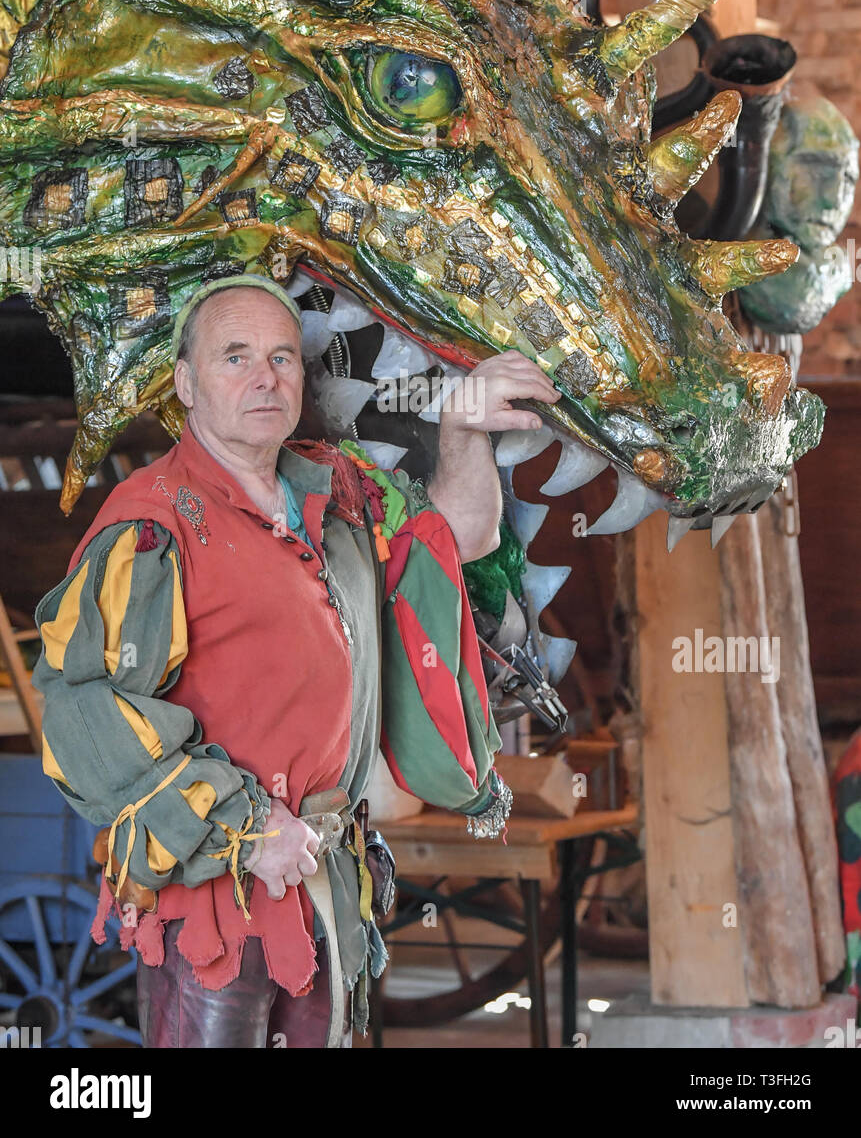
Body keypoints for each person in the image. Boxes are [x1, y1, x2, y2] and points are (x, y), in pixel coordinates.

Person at [32, 273, 559, 1048]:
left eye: (281, 357)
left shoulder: (334, 492)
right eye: (234, 356)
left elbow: (455, 539)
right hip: (217, 892)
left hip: (325, 876)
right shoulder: (151, 523)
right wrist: (245, 827)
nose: (264, 377)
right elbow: (82, 710)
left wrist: (463, 430)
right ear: (184, 382)